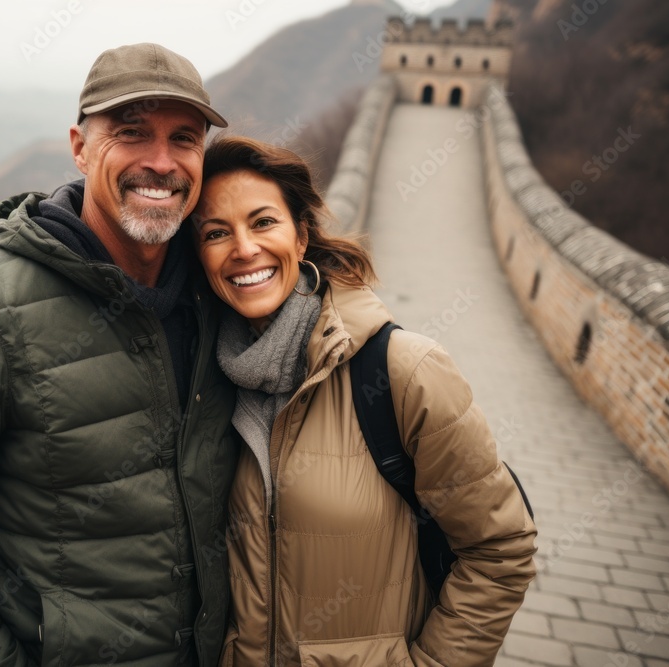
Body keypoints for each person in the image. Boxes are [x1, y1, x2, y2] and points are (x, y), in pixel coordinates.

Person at [0, 43, 240, 666]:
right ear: (80, 148)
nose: (161, 162)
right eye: (131, 132)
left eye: (184, 139)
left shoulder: (219, 296)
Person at [191, 136, 538, 666]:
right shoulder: (207, 381)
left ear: (301, 236)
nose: (243, 248)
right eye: (217, 233)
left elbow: (499, 551)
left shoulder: (405, 371)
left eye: (263, 222)